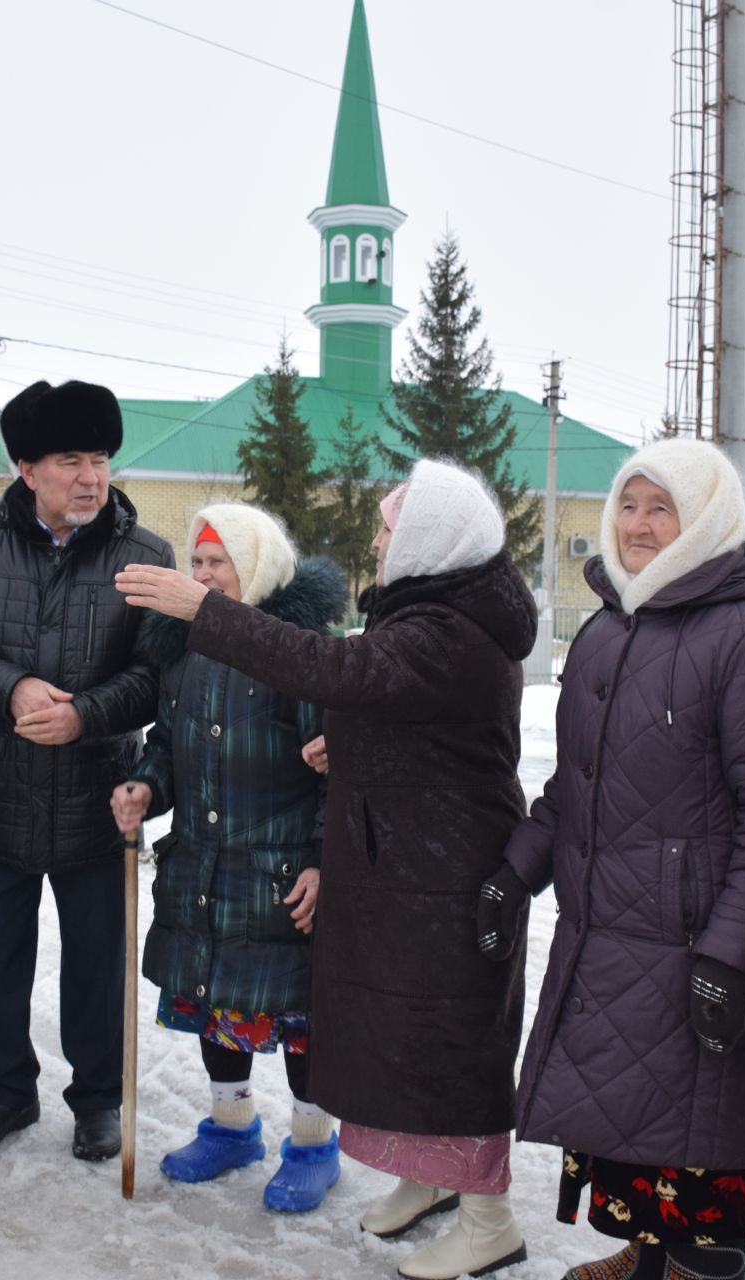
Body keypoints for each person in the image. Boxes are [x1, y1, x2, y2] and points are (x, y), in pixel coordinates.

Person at [117, 457, 536, 1280]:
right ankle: (432, 1177)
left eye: (388, 529)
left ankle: (489, 1218)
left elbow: (338, 674)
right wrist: (344, 741)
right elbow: (405, 717)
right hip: (408, 860)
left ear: (429, 541)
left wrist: (205, 612)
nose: (376, 542)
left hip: (450, 867)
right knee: (411, 1036)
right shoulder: (429, 614)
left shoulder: (448, 629)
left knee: (454, 1043)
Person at [486, 440, 745, 1280]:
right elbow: (577, 786)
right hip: (608, 938)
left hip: (694, 949)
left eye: (660, 507)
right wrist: (515, 871)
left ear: (704, 518)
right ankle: (646, 1260)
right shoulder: (605, 632)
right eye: (628, 505)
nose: (637, 525)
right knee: (635, 1140)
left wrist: (734, 960)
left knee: (701, 1156)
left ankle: (692, 1270)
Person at [0, 379, 173, 1162]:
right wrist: (13, 687)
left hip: (98, 801)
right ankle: (7, 1093)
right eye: (70, 460)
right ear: (27, 469)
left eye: (99, 458)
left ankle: (97, 1101)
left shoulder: (144, 557)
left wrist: (85, 714)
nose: (91, 476)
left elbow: (156, 675)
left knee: (96, 966)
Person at [110, 504, 345, 1212]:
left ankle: (312, 1142)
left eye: (221, 563)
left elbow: (342, 768)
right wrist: (144, 787)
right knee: (218, 1008)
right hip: (205, 870)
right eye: (199, 561)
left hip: (279, 876)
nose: (206, 575)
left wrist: (320, 859)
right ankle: (233, 1125)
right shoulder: (183, 648)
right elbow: (166, 743)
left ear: (259, 566)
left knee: (297, 1018)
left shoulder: (299, 648)